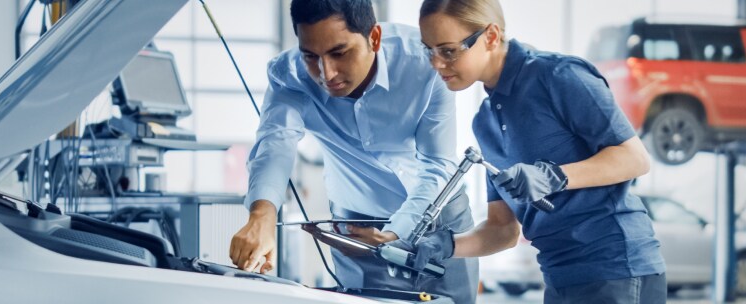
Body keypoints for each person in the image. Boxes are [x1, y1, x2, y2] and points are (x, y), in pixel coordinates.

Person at [409, 0, 669, 303]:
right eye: (429, 50)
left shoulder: (558, 76)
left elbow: (634, 158)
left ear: (491, 36)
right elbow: (503, 229)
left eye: (449, 50)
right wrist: (448, 245)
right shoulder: (485, 121)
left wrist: (552, 176)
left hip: (616, 268)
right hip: (559, 276)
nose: (436, 63)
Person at [228, 0, 475, 302]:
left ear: (374, 37)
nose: (326, 73)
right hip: (357, 228)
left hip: (439, 220)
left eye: (339, 53)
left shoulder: (424, 60)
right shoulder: (288, 75)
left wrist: (396, 233)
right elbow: (275, 143)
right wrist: (262, 215)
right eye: (310, 56)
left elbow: (437, 164)